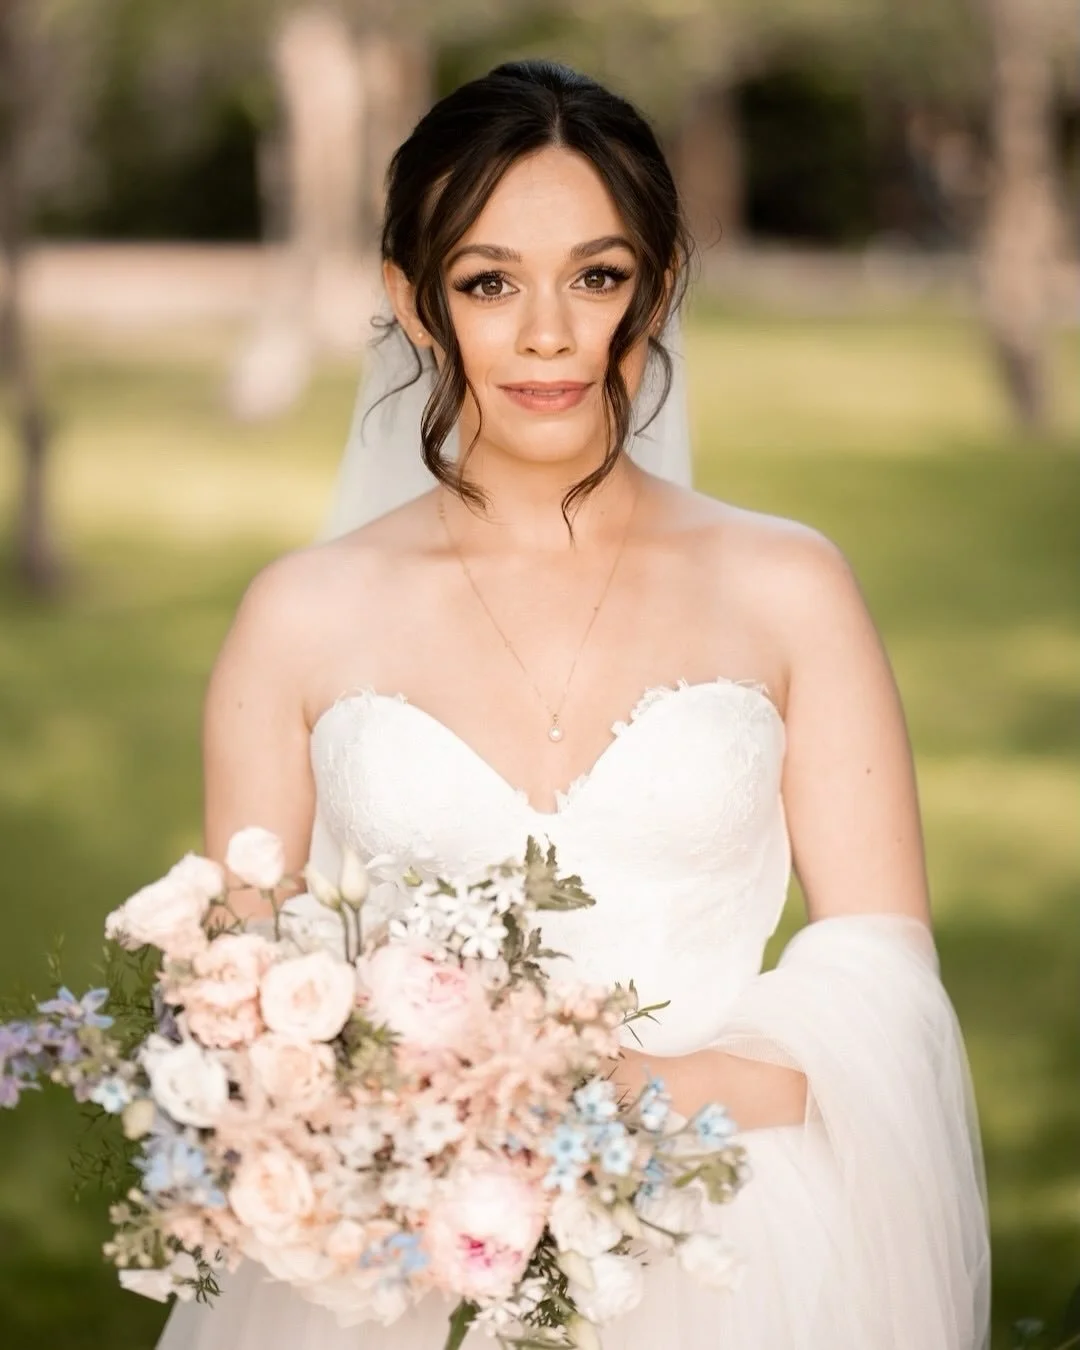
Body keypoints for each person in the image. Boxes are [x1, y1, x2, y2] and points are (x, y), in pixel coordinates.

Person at [158, 58, 991, 1350]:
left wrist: (653, 1091)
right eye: (490, 282)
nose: (546, 334)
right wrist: (396, 1110)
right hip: (408, 1245)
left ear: (654, 289)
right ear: (416, 303)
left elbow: (882, 968)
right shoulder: (300, 615)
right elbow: (239, 999)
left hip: (739, 1234)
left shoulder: (789, 585)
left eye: (596, 276)